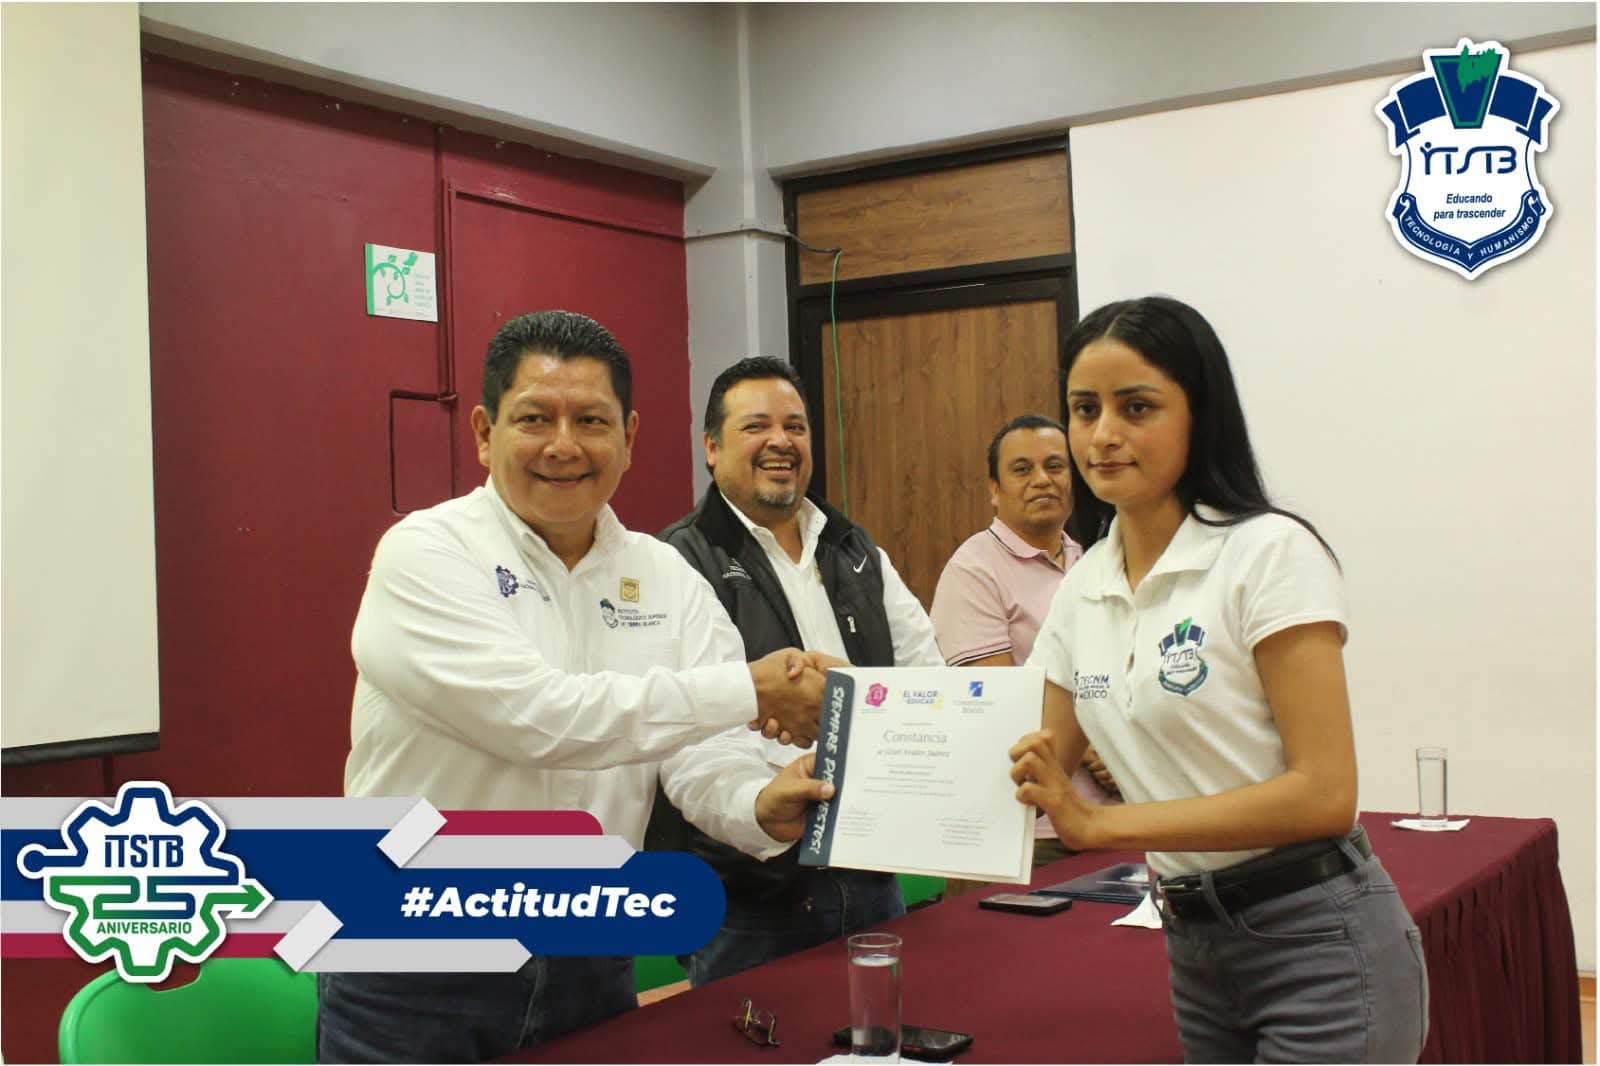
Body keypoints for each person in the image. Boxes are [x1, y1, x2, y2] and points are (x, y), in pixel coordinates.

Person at [321, 312, 834, 1063]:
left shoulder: (666, 576)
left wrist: (758, 804)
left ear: (628, 436)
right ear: (484, 433)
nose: (564, 445)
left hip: (590, 958)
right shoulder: (426, 553)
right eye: (535, 418)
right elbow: (536, 719)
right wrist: (750, 690)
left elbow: (701, 752)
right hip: (416, 967)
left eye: (591, 420)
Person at [1008, 296, 1427, 1063]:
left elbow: (1324, 794)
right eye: (1085, 409)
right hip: (1195, 949)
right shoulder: (1083, 585)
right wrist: (852, 724)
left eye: (1136, 408)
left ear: (1200, 415)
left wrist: (1101, 828)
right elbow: (1029, 760)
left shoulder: (1268, 553)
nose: (1103, 434)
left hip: (1317, 938)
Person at [649, 355, 945, 987]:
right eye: (756, 426)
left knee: (883, 1032)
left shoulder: (856, 550)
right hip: (749, 899)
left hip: (872, 877)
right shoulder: (675, 562)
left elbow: (933, 685)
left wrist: (855, 693)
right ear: (711, 447)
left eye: (795, 427)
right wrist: (763, 806)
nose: (780, 441)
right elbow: (684, 736)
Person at [929, 413, 1120, 830]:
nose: (1042, 480)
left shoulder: (1097, 561)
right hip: (1036, 826)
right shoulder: (974, 570)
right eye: (1022, 469)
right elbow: (997, 702)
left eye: (1055, 466)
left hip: (1119, 814)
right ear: (994, 490)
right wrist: (1097, 747)